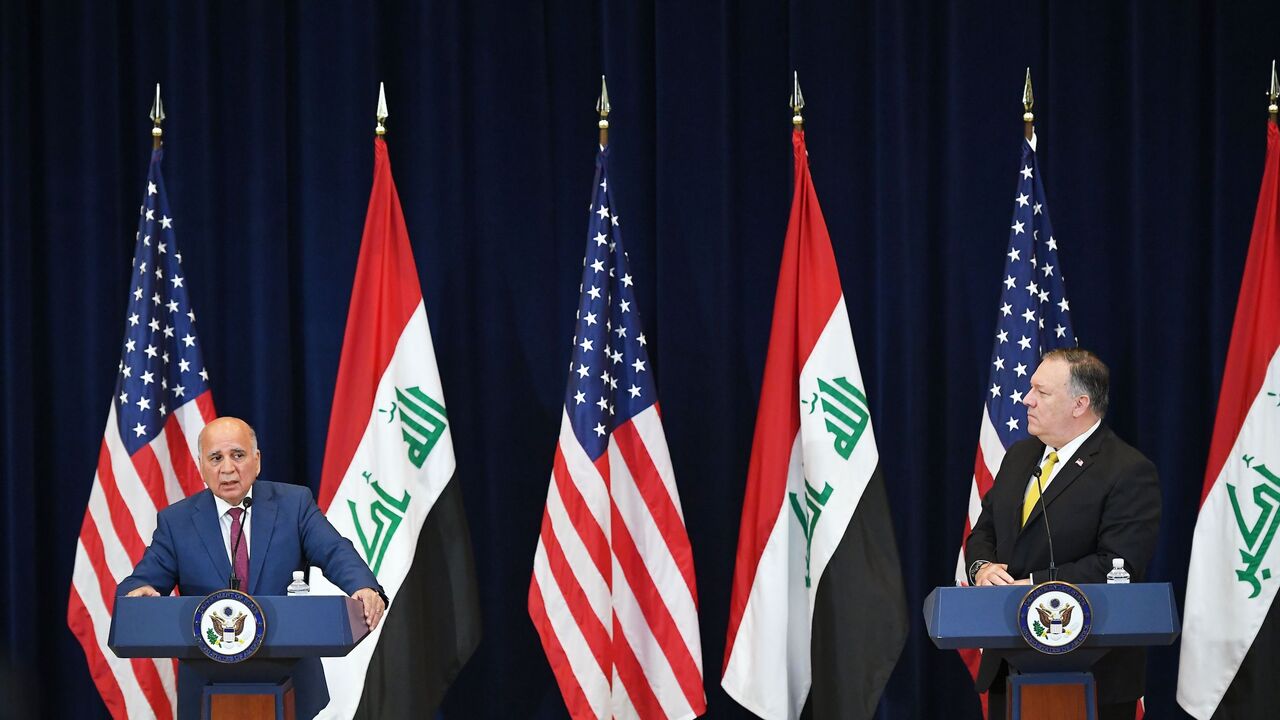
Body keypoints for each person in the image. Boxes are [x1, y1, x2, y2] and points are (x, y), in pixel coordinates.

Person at [116, 416, 387, 720]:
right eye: (216, 458)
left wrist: (362, 586)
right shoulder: (176, 522)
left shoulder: (294, 504)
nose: (227, 468)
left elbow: (334, 550)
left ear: (256, 461)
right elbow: (144, 580)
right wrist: (138, 593)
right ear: (201, 466)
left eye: (238, 455)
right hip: (208, 684)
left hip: (289, 678)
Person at [964, 348, 1160, 720]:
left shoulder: (1128, 471)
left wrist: (1033, 585)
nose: (1027, 399)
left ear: (1079, 404)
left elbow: (1118, 565)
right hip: (1009, 662)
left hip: (1091, 671)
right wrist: (983, 568)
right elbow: (985, 529)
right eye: (1030, 389)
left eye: (1042, 392)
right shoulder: (1020, 456)